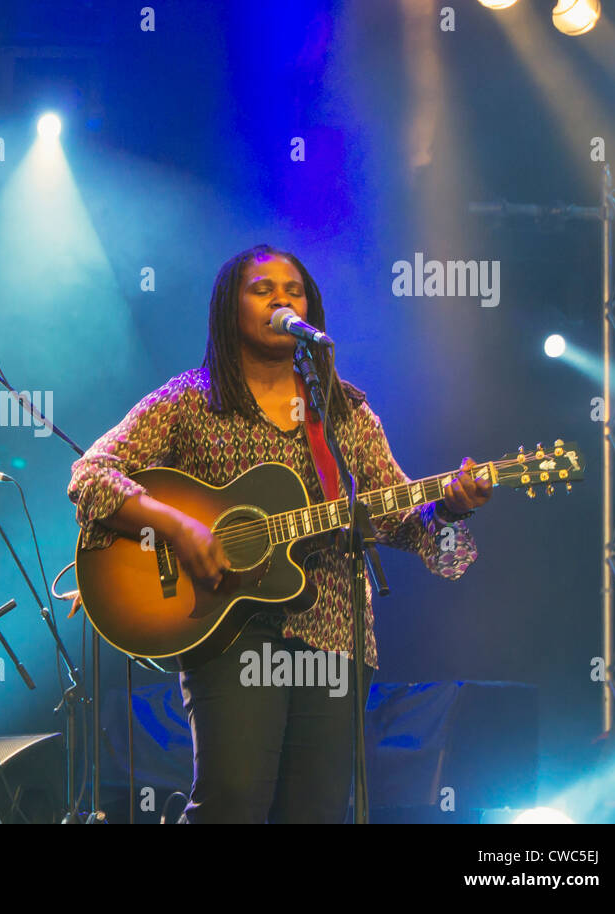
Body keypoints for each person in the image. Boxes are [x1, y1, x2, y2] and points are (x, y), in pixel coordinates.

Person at [67, 244, 492, 823]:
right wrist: (179, 524)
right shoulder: (191, 400)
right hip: (228, 626)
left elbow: (403, 525)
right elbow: (91, 475)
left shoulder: (343, 412)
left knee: (314, 812)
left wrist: (449, 511)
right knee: (232, 802)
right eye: (263, 289)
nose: (282, 299)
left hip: (336, 632)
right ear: (228, 308)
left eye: (294, 291)